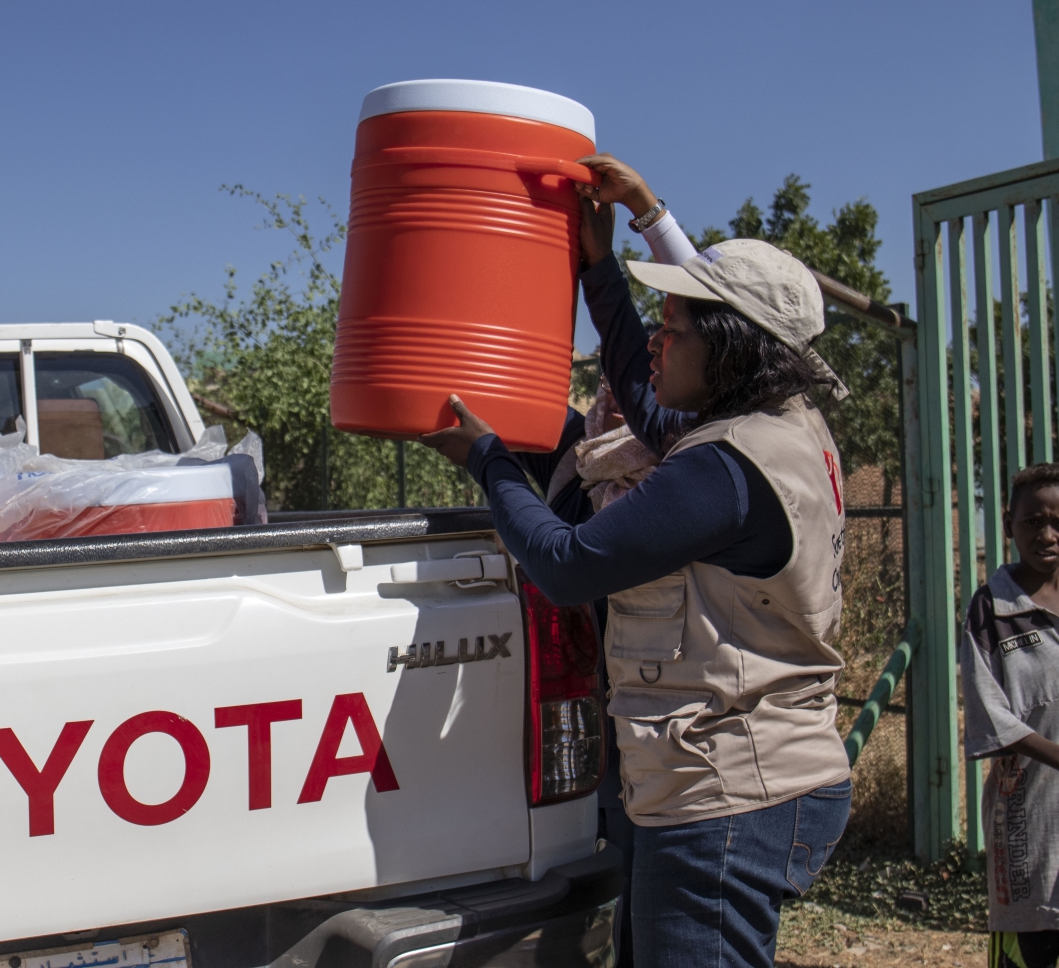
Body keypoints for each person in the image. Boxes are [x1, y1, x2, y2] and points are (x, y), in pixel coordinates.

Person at [420, 155, 853, 968]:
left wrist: (488, 461)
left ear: (725, 350)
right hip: (749, 779)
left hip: (727, 794)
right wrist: (602, 264)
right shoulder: (785, 422)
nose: (657, 343)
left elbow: (566, 561)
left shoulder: (724, 469)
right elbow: (654, 399)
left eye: (674, 329)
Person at [961, 463, 1059, 968]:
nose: (1047, 534)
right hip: (1029, 817)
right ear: (1008, 524)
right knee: (1033, 939)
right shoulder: (992, 611)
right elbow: (989, 713)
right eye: (1032, 521)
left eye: (1057, 521)